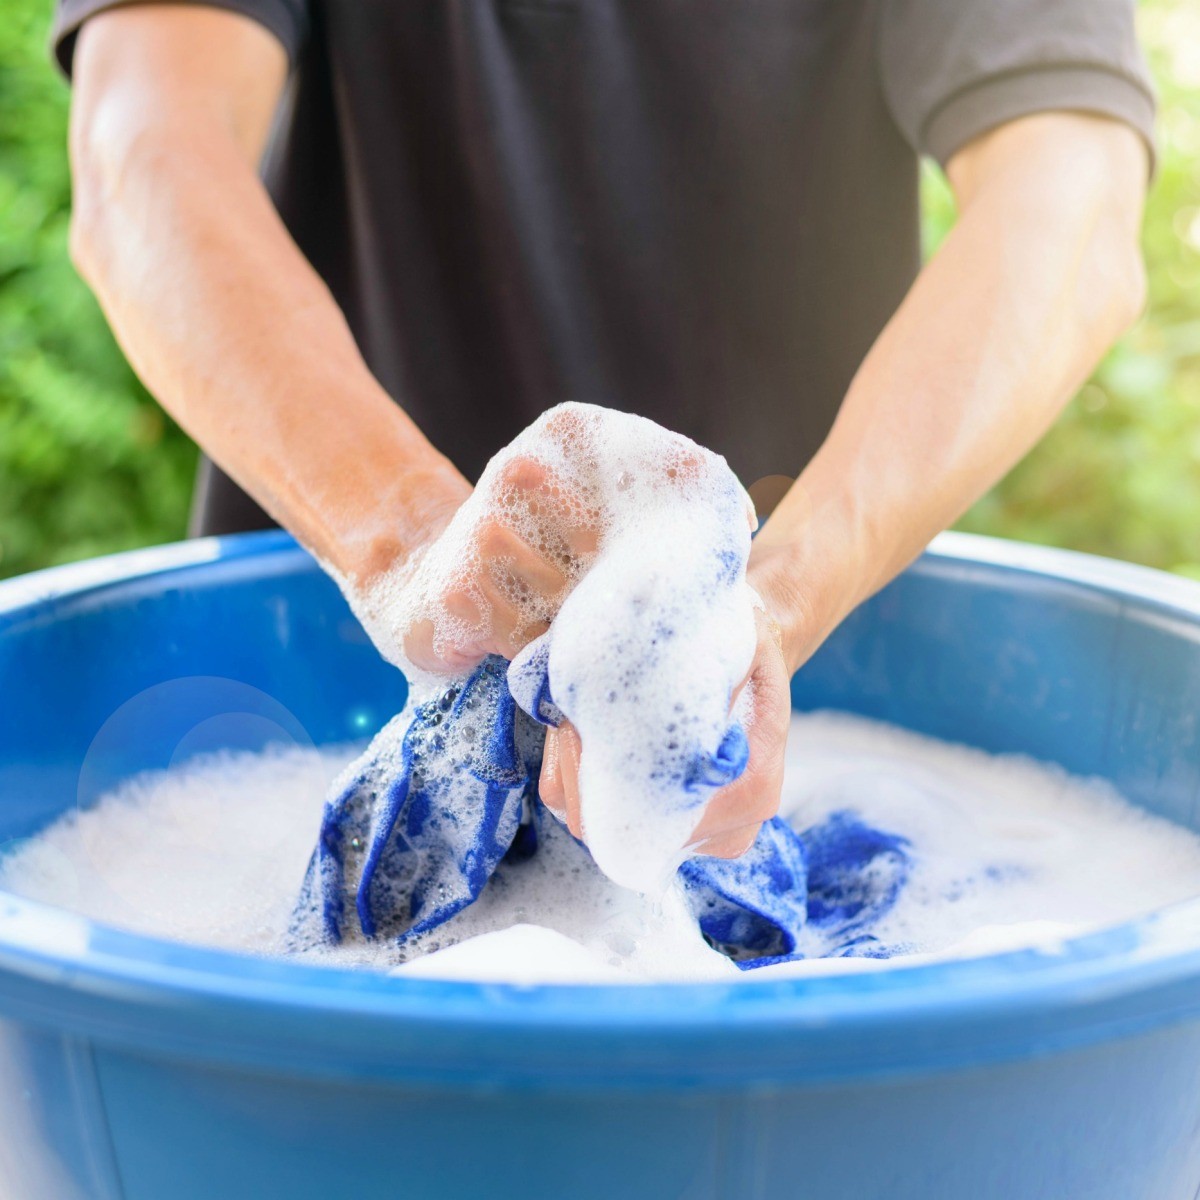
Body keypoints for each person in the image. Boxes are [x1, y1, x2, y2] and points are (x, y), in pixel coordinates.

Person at [53, 0, 1152, 860]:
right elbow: (144, 147)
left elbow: (1069, 201)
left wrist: (765, 606)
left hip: (784, 747)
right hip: (302, 719)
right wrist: (412, 548)